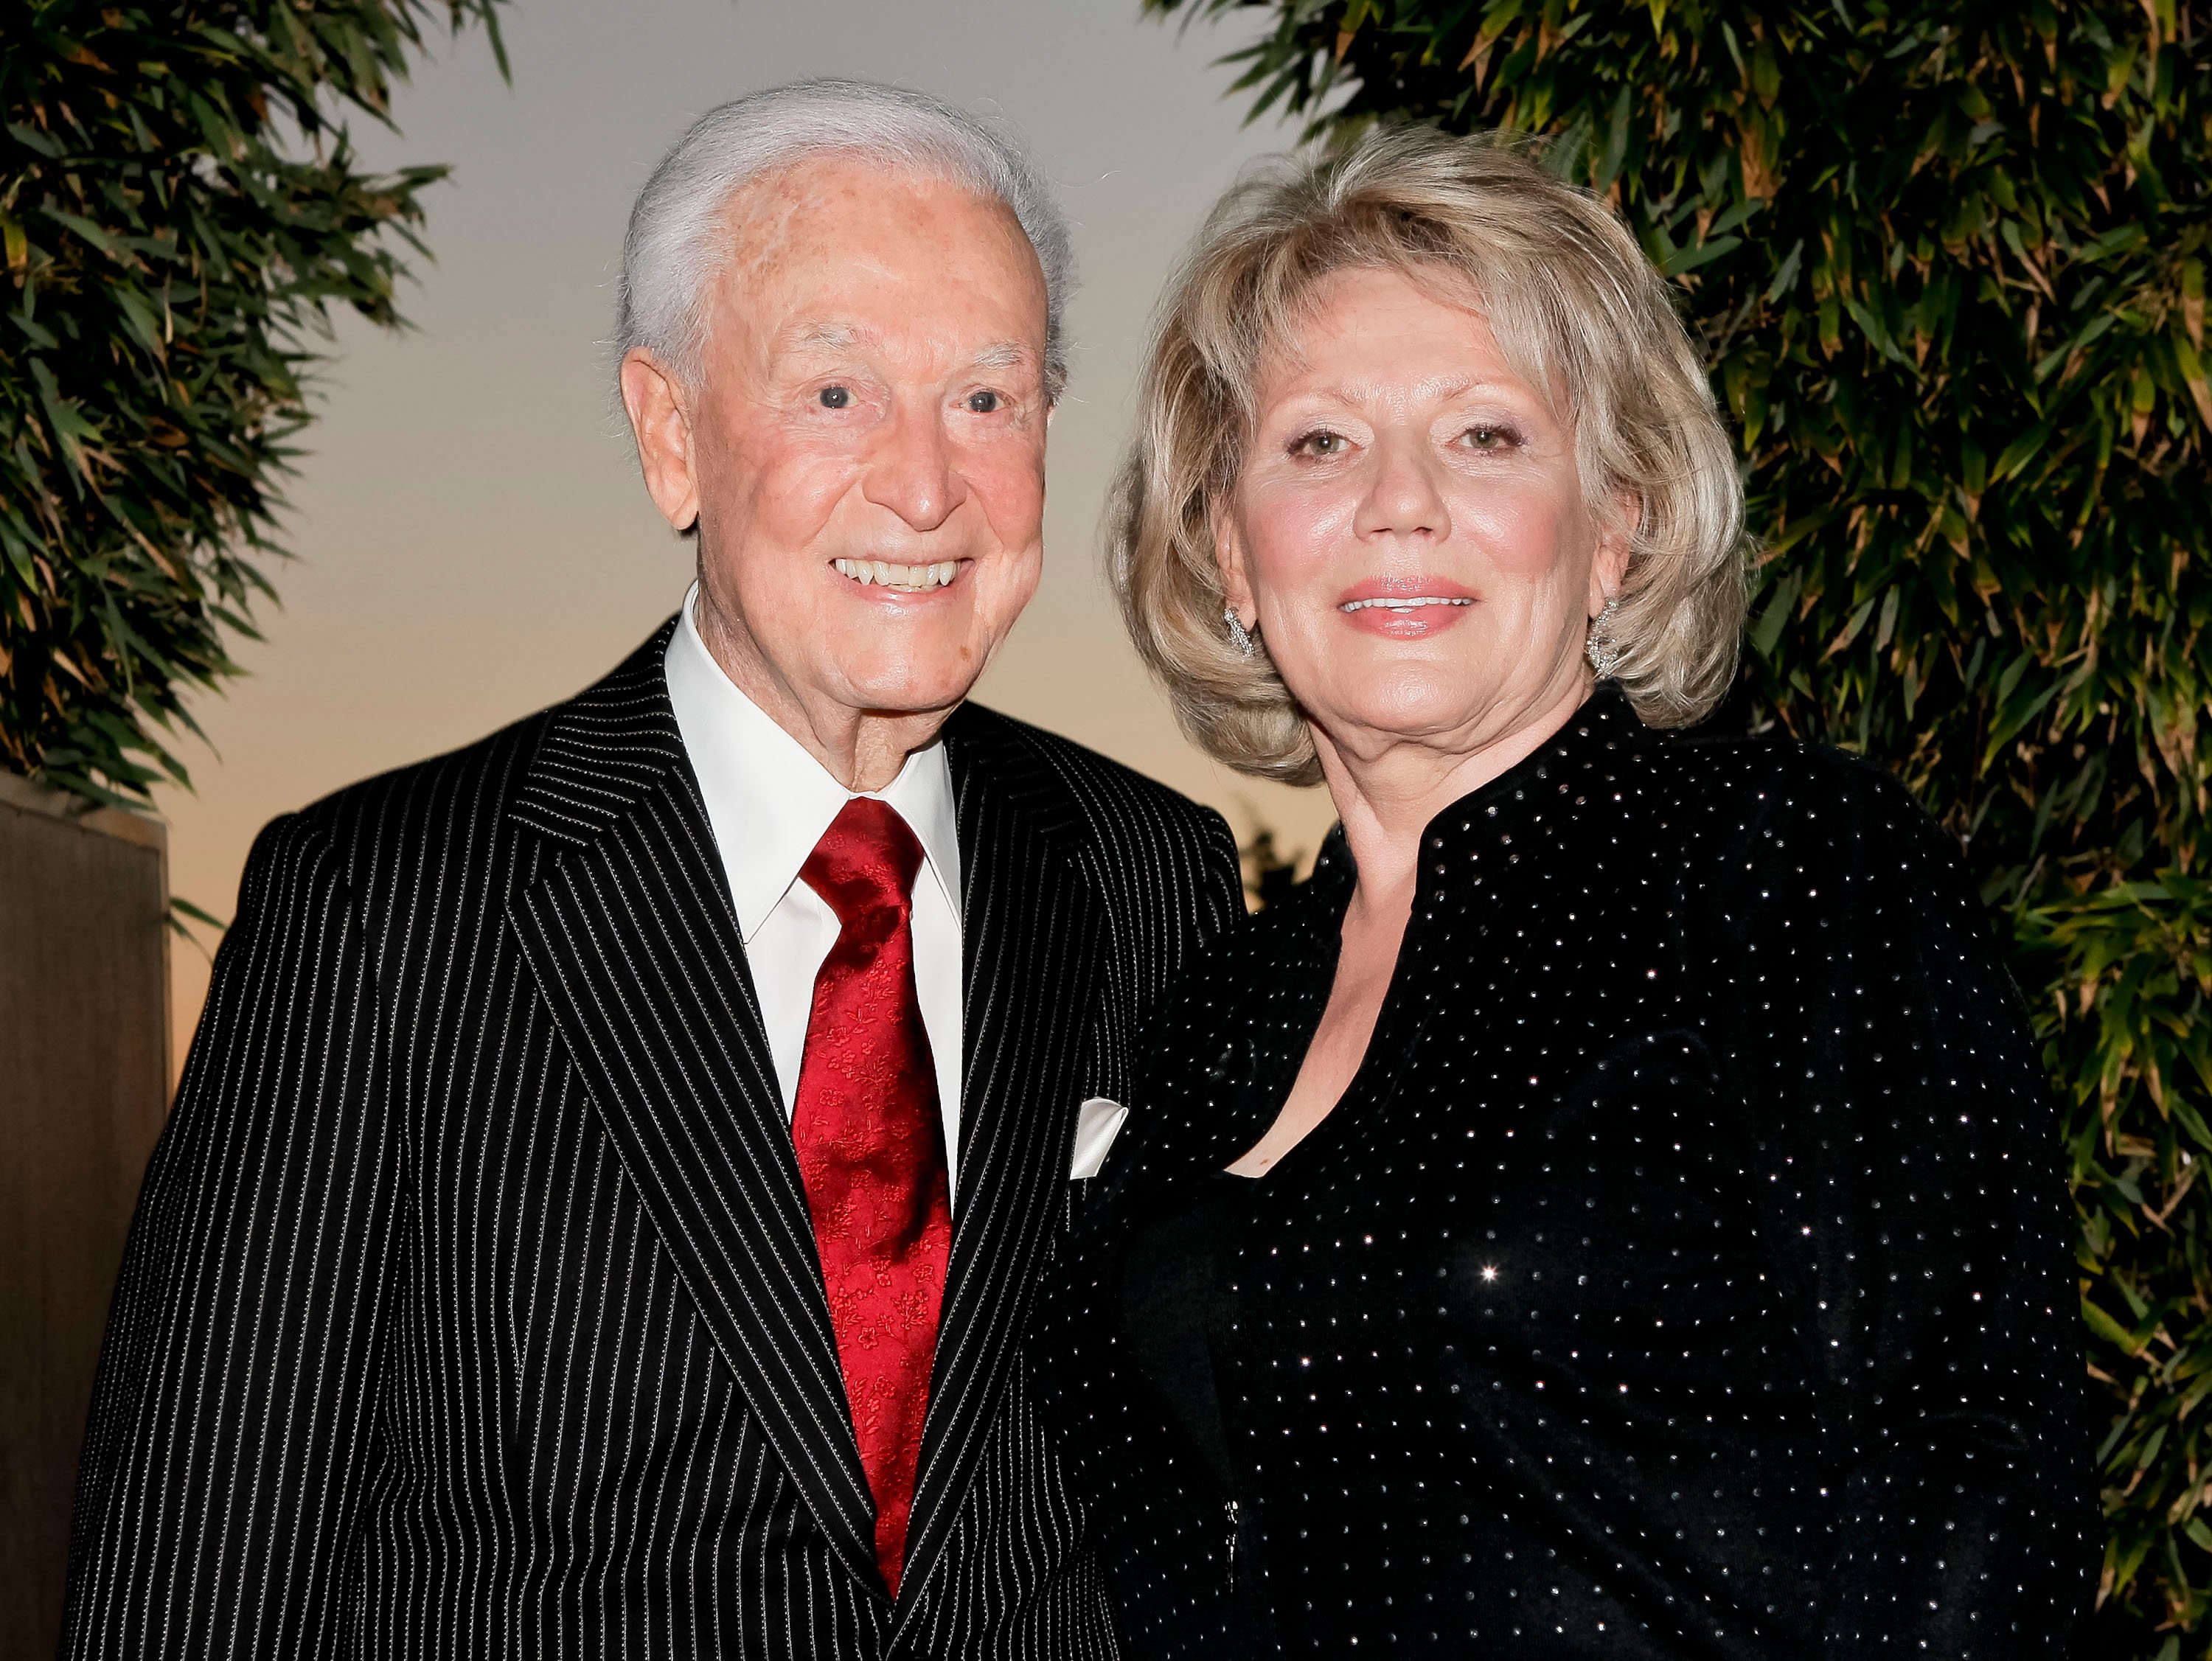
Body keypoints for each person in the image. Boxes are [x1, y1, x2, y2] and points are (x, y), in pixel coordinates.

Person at [61, 80, 1243, 1660]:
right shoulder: (380, 906)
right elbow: (200, 1576)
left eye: (988, 396)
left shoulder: (1151, 873)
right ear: (669, 433)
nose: (924, 482)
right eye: (835, 392)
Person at [1028, 125, 2090, 1657]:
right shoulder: (1213, 1011)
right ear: (1227, 548)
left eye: (1487, 436)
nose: (1400, 501)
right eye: (1319, 441)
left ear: (1618, 525)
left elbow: (1977, 1497)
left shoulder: (1789, 871)